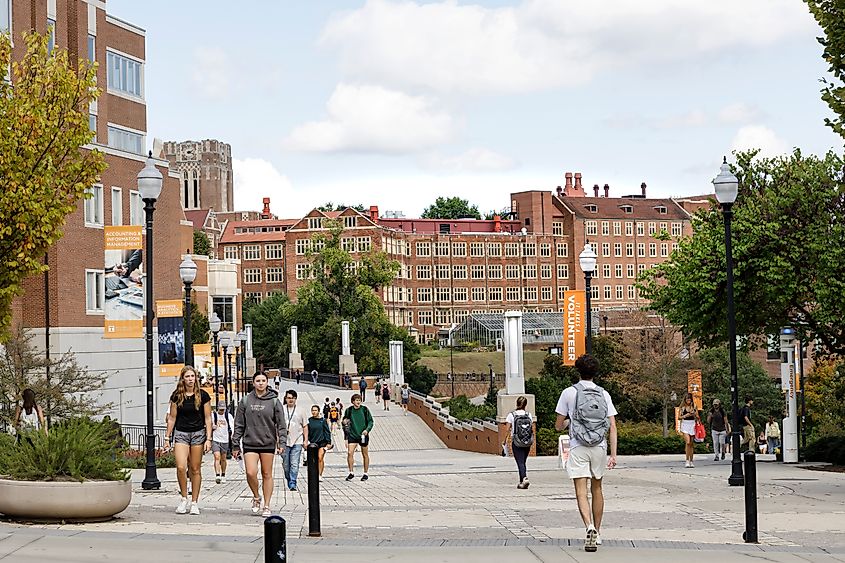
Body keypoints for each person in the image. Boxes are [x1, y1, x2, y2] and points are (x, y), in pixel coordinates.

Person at [555, 354, 617, 553]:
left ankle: (588, 526)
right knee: (597, 489)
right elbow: (613, 426)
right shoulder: (604, 394)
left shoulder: (568, 393)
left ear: (578, 370)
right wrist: (613, 454)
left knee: (581, 491)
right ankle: (597, 532)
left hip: (578, 445)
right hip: (599, 445)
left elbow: (558, 425)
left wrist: (568, 423)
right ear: (595, 372)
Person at [231, 372, 287, 517]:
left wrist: (282, 441)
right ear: (253, 382)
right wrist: (235, 444)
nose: (261, 383)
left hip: (268, 442)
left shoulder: (274, 401)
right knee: (250, 472)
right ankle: (256, 496)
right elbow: (238, 424)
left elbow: (281, 424)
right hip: (250, 441)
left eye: (263, 380)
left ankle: (267, 505)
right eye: (258, 380)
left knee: (267, 473)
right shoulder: (245, 401)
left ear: (267, 382)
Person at [164, 366, 212, 515]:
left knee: (195, 468)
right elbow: (172, 418)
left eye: (193, 376)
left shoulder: (203, 395)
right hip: (181, 433)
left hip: (198, 433)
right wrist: (167, 437)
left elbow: (208, 418)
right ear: (183, 379)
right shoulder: (177, 396)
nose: (190, 379)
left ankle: (194, 501)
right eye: (188, 376)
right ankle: (184, 497)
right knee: (180, 466)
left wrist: (208, 438)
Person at [281, 389, 309, 491]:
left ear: (296, 399)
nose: (291, 400)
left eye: (293, 398)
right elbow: (276, 426)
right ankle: (289, 479)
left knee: (294, 463)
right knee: (286, 465)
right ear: (285, 399)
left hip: (297, 440)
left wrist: (305, 440)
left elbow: (305, 426)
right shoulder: (281, 409)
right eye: (289, 398)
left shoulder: (301, 410)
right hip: (284, 441)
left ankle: (293, 482)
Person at [343, 393, 374, 481]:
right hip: (352, 434)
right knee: (350, 453)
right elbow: (345, 424)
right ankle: (351, 472)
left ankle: (365, 473)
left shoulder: (364, 410)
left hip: (363, 435)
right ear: (353, 401)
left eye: (359, 400)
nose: (358, 402)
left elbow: (371, 421)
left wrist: (367, 430)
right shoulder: (349, 410)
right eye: (356, 400)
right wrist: (345, 436)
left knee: (365, 454)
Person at [504, 396, 534, 489]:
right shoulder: (528, 414)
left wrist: (504, 441)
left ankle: (524, 478)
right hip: (527, 441)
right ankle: (522, 481)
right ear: (525, 404)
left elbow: (507, 429)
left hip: (516, 441)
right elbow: (531, 429)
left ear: (517, 403)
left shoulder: (511, 415)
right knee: (523, 461)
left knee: (520, 462)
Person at [307, 405, 333, 480]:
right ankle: (314, 473)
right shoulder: (309, 420)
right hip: (313, 442)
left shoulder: (323, 420)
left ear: (318, 411)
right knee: (313, 460)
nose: (314, 412)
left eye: (315, 410)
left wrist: (328, 442)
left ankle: (320, 475)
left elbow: (327, 431)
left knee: (320, 457)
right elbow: (307, 431)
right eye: (312, 410)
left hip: (322, 442)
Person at [211, 402, 234, 483]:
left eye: (223, 409)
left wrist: (233, 436)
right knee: (217, 457)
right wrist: (212, 427)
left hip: (225, 439)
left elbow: (232, 426)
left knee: (223, 458)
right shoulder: (213, 415)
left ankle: (223, 474)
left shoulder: (228, 416)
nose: (222, 411)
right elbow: (209, 424)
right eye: (220, 409)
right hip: (215, 439)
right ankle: (217, 475)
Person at [678, 393, 699, 468]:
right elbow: (679, 417)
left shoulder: (694, 406)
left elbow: (698, 417)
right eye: (687, 399)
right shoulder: (682, 407)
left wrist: (694, 415)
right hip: (685, 424)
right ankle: (687, 460)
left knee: (691, 444)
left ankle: (691, 460)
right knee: (688, 442)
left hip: (692, 424)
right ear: (685, 399)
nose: (688, 400)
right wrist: (685, 415)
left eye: (689, 398)